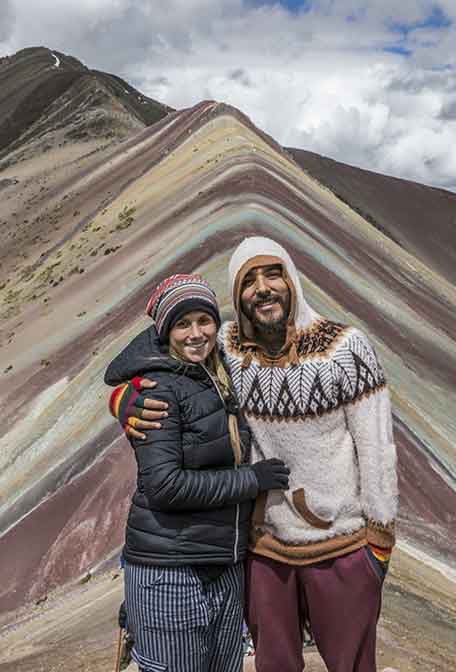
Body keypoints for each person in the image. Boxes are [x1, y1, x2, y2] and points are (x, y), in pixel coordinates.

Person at [114, 238, 399, 672]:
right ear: (237, 296)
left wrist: (379, 544)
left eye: (273, 274)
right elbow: (164, 353)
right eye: (248, 281)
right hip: (263, 552)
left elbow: (377, 447)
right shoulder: (227, 349)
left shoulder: (345, 349)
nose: (263, 288)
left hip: (341, 547)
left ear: (292, 280)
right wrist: (123, 399)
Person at [104, 273, 290, 672]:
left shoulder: (219, 373)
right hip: (171, 571)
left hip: (223, 564)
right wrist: (253, 480)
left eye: (204, 321)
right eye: (182, 324)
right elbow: (165, 486)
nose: (195, 334)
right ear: (165, 331)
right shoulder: (157, 389)